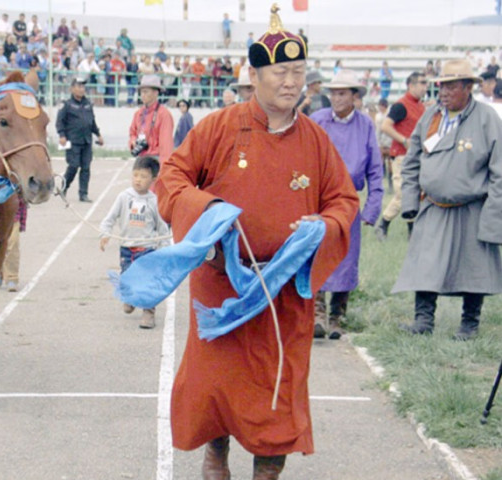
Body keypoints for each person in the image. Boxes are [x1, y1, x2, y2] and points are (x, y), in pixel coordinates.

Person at [154, 6, 359, 479]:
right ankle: (216, 458)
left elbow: (343, 202)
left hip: (283, 295)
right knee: (216, 388)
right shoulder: (219, 127)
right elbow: (173, 177)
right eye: (280, 72)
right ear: (255, 74)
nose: (291, 82)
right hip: (222, 286)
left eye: (299, 73)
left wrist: (322, 228)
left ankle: (267, 473)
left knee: (278, 394)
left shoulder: (315, 140)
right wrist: (205, 213)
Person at [393, 59, 502, 341]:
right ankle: (423, 319)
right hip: (434, 206)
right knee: (424, 263)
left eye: (451, 86)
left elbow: (499, 170)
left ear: (468, 87)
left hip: (472, 206)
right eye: (441, 86)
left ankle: (469, 324)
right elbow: (411, 161)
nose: (443, 92)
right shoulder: (431, 118)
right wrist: (409, 203)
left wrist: (493, 215)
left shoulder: (487, 118)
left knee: (474, 266)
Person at [309, 70, 384, 339]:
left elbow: (376, 170)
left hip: (349, 200)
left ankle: (337, 316)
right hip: (319, 200)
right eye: (333, 93)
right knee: (317, 254)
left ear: (355, 96)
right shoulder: (317, 121)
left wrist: (373, 208)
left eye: (342, 93)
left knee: (346, 258)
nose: (336, 98)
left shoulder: (365, 125)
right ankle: (317, 313)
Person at [99, 155, 170, 329]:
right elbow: (110, 218)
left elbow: (162, 228)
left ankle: (148, 312)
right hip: (127, 248)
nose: (138, 180)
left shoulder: (154, 201)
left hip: (147, 249)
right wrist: (105, 234)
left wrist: (165, 249)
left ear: (153, 179)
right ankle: (130, 299)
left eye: (143, 176)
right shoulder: (124, 197)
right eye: (135, 175)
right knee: (128, 278)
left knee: (147, 282)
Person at [374, 71, 427, 240]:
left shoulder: (421, 106)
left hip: (416, 156)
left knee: (414, 193)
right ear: (411, 85)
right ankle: (384, 223)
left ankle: (411, 232)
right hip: (402, 156)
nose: (425, 87)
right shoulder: (401, 105)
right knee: (403, 194)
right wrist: (404, 141)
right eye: (422, 83)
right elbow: (386, 126)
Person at [56, 77, 104, 203]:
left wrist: (98, 134)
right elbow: (59, 122)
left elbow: (92, 121)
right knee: (73, 165)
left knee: (86, 167)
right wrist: (62, 135)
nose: (81, 89)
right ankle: (64, 187)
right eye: (79, 86)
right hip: (73, 141)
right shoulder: (67, 105)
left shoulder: (87, 103)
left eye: (83, 87)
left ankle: (83, 194)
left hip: (86, 141)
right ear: (72, 89)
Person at [128, 75, 174, 166]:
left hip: (155, 159)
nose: (143, 95)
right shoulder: (138, 113)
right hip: (141, 157)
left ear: (156, 93)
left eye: (146, 92)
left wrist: (164, 167)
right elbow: (132, 132)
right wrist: (133, 142)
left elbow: (166, 145)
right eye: (141, 92)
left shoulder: (164, 115)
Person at [0, 197, 27, 292]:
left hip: (13, 215)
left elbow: (23, 197)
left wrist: (22, 221)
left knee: (13, 245)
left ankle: (12, 278)